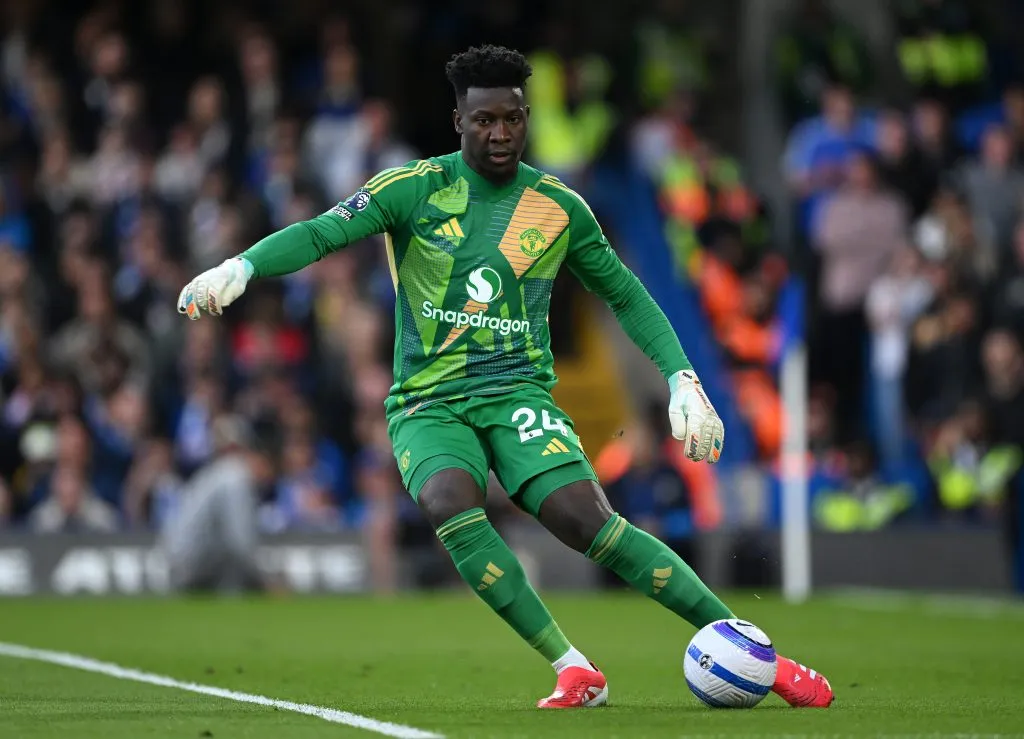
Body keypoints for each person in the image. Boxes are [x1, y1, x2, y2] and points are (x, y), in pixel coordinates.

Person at [176, 45, 833, 709]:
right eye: (485, 119)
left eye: (513, 119)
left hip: (516, 393)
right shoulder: (412, 189)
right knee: (447, 497)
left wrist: (681, 378)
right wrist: (245, 265)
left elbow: (627, 294)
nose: (500, 133)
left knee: (585, 519)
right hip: (428, 401)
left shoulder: (558, 208)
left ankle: (766, 661)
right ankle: (573, 666)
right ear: (458, 119)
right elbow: (321, 234)